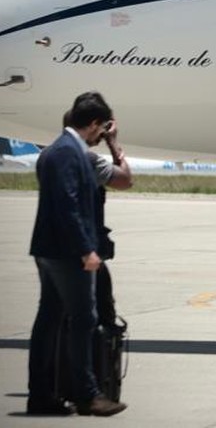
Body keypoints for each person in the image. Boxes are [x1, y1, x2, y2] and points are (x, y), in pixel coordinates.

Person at [27, 92, 126, 417]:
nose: (101, 134)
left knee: (49, 319)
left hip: (48, 249)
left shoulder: (55, 150)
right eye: (101, 128)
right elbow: (69, 206)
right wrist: (86, 249)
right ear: (95, 123)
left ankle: (41, 395)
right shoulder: (71, 153)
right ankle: (88, 395)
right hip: (68, 252)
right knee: (84, 319)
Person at [84, 115, 133, 334]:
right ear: (93, 127)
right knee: (91, 316)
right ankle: (86, 366)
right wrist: (113, 143)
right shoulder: (88, 161)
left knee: (50, 313)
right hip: (81, 251)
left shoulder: (49, 157)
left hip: (48, 252)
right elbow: (125, 180)